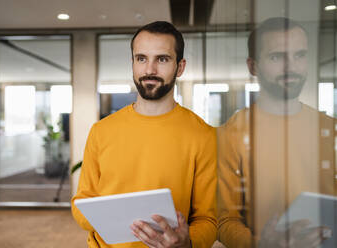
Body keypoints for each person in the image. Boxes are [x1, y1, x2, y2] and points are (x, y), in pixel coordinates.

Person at [72, 21, 217, 248]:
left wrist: (187, 243)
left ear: (180, 67)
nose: (150, 70)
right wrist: (105, 219)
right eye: (141, 58)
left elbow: (208, 219)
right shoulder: (101, 130)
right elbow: (82, 201)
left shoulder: (204, 136)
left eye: (162, 59)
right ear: (133, 63)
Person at [217, 17, 336, 248]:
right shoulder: (231, 134)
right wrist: (261, 244)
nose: (291, 67)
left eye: (299, 55)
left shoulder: (330, 129)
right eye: (276, 57)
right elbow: (224, 221)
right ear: (253, 66)